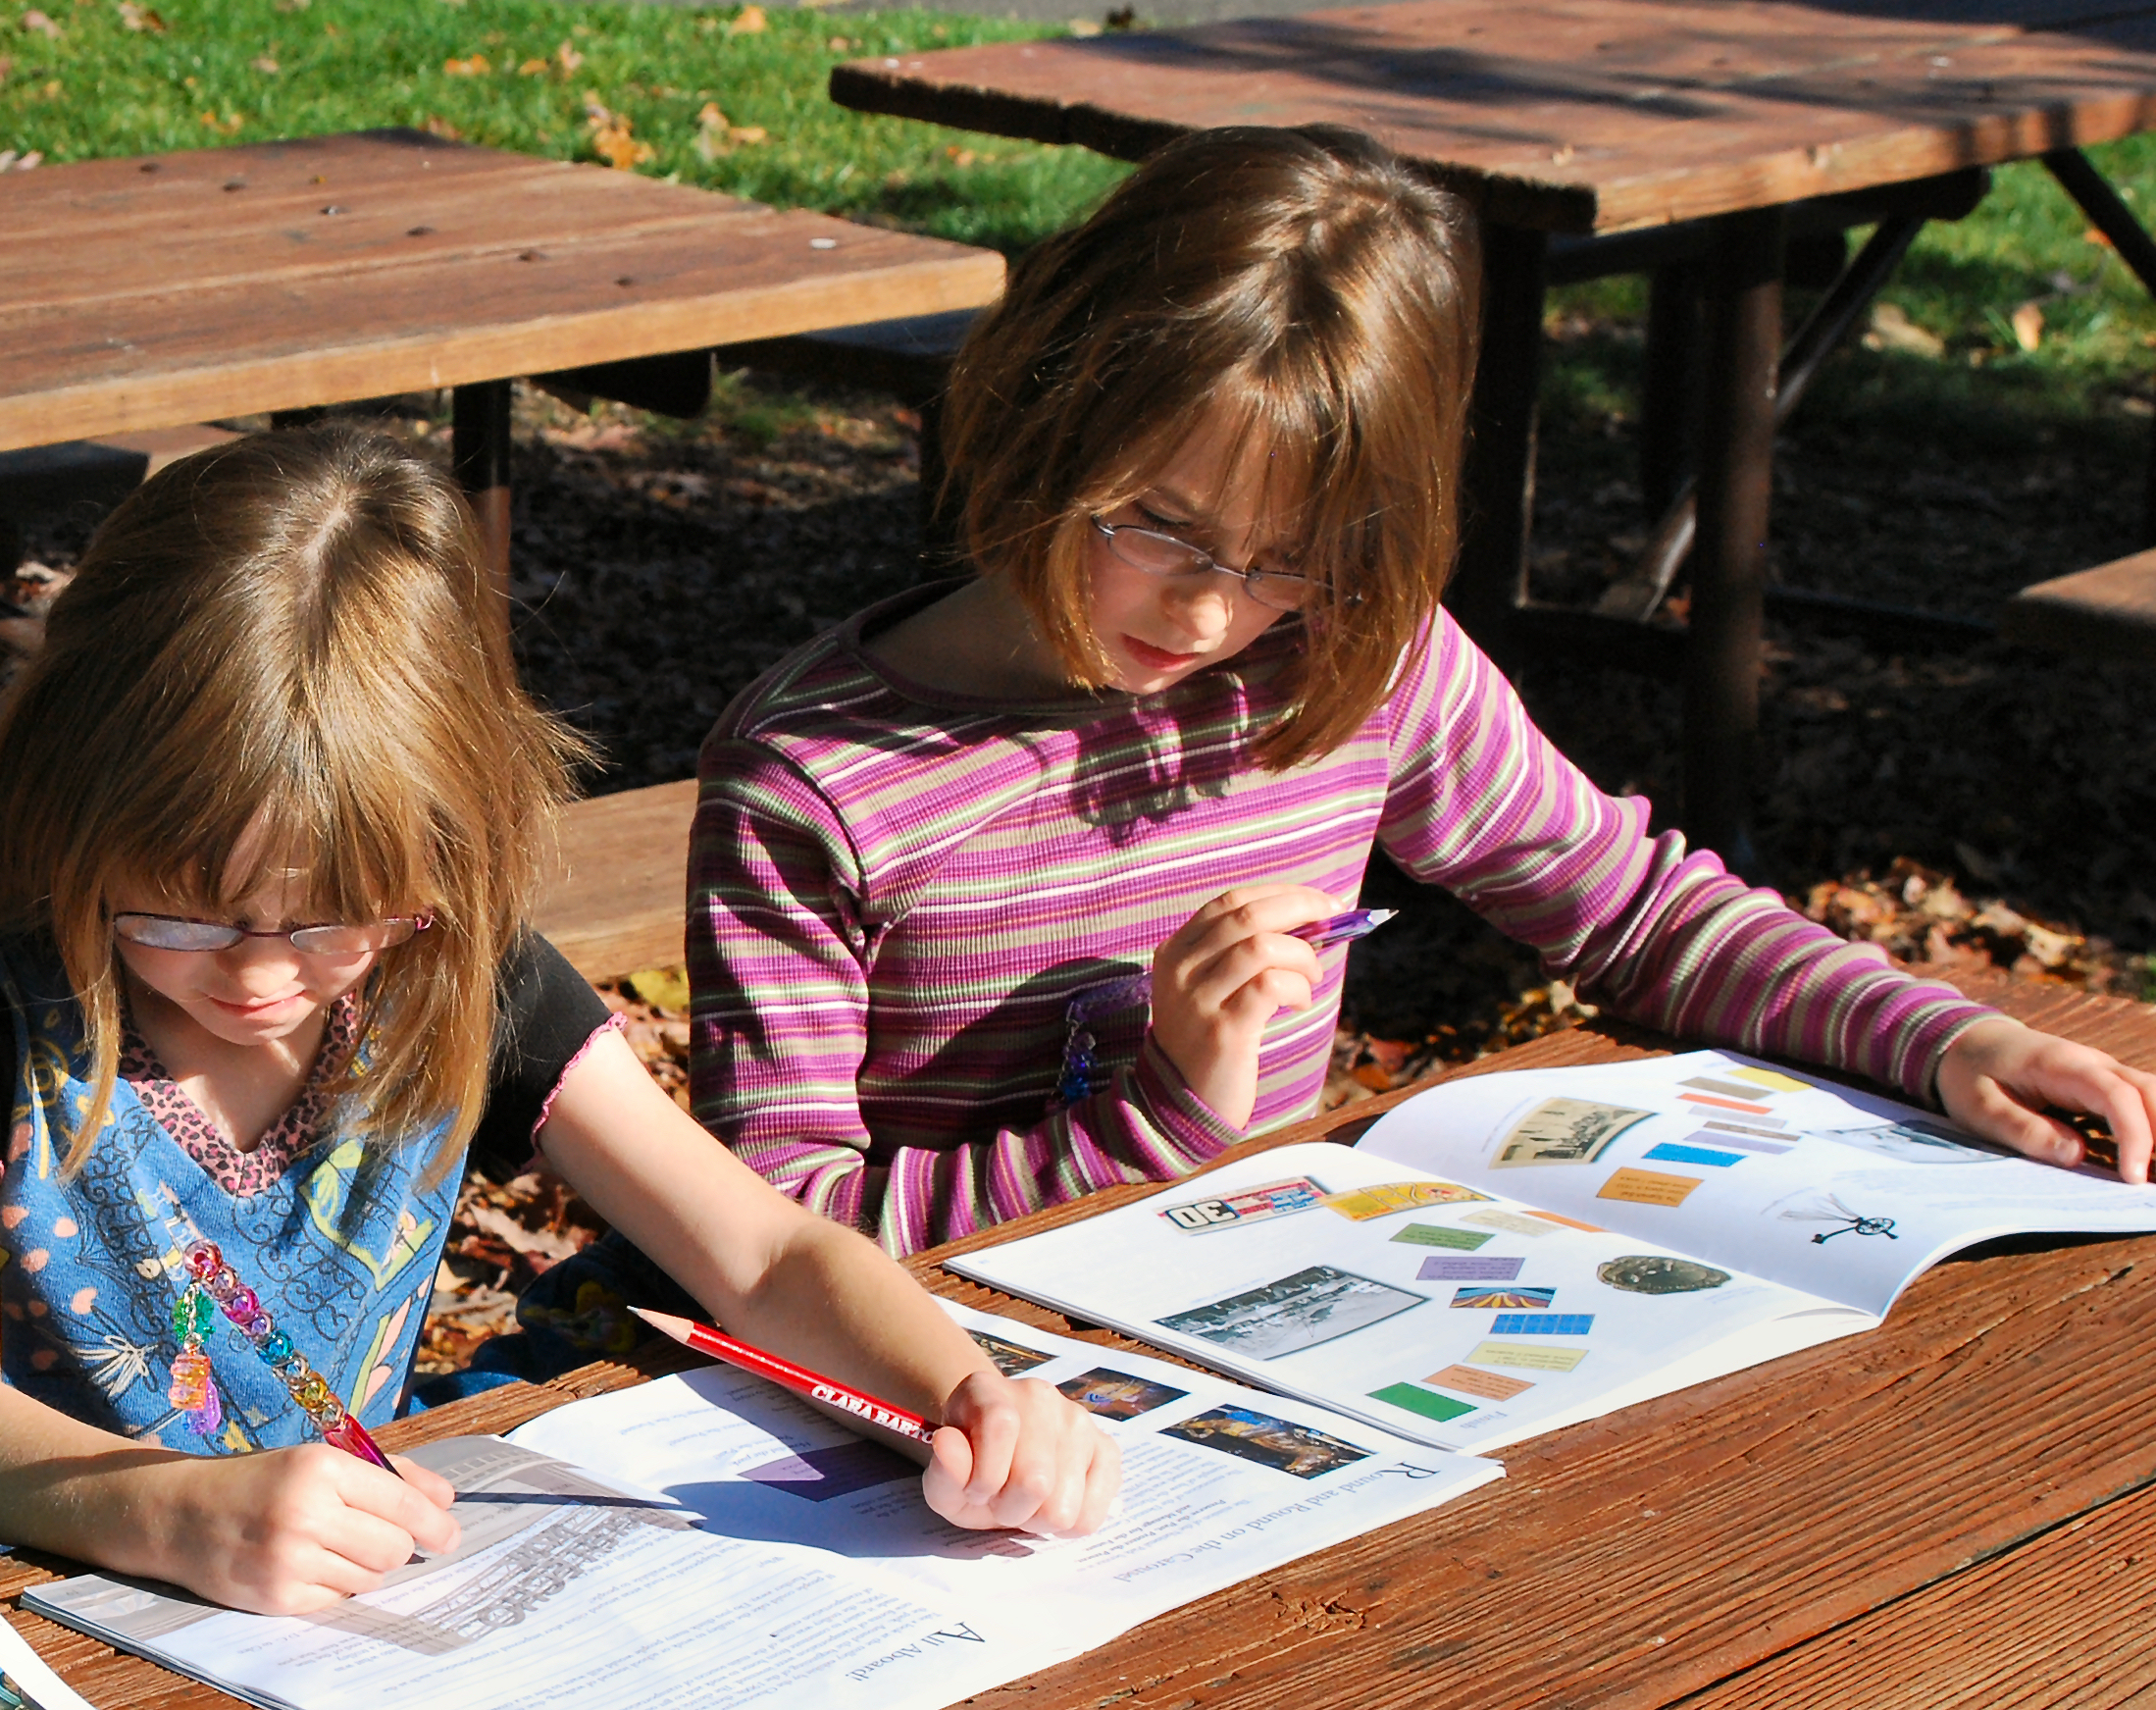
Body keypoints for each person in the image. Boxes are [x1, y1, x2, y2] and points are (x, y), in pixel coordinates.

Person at [690, 125, 2156, 1252]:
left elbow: (1633, 909)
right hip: (964, 1417)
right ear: (1047, 406)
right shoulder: (822, 780)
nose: (1211, 611)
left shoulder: (1343, 663)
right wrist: (1161, 1122)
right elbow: (774, 1230)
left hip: (1274, 1336)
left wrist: (1944, 1037)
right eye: (1159, 528)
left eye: (1288, 560)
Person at [0, 426, 1119, 1614]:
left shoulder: (456, 973)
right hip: (5, 1608)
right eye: (179, 915)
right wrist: (164, 1507)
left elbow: (763, 1257)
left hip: (339, 1606)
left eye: (330, 923)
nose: (259, 975)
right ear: (72, 805)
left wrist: (968, 1399)